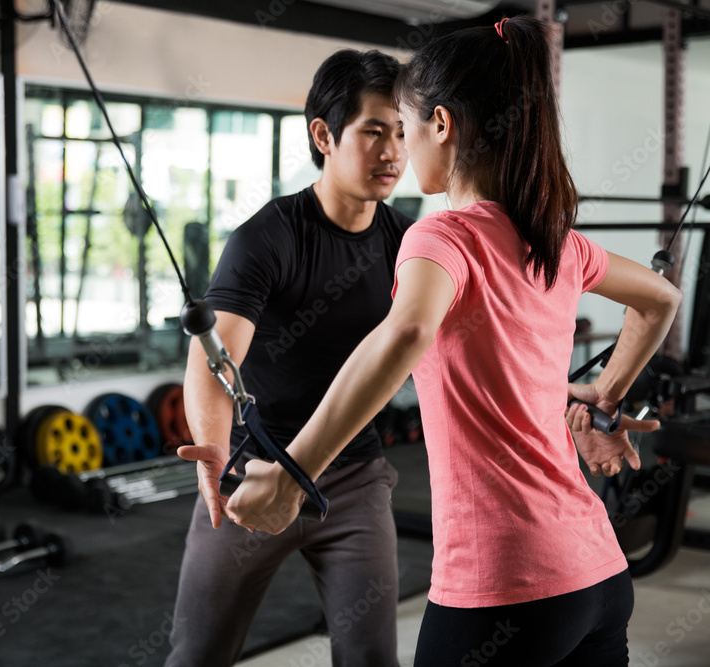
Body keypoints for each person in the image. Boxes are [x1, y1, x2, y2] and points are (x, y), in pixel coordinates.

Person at [227, 16, 682, 666]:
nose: (402, 151)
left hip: (502, 587)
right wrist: (604, 401)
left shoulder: (443, 237)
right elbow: (661, 297)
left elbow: (407, 330)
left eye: (406, 128)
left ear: (442, 124)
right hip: (598, 576)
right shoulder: (557, 241)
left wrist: (294, 473)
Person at [165, 49, 411, 667]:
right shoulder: (267, 237)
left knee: (372, 657)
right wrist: (216, 450)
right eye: (374, 131)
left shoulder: (410, 243)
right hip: (250, 474)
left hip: (353, 480)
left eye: (402, 133)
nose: (393, 152)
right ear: (324, 135)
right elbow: (214, 358)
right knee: (198, 654)